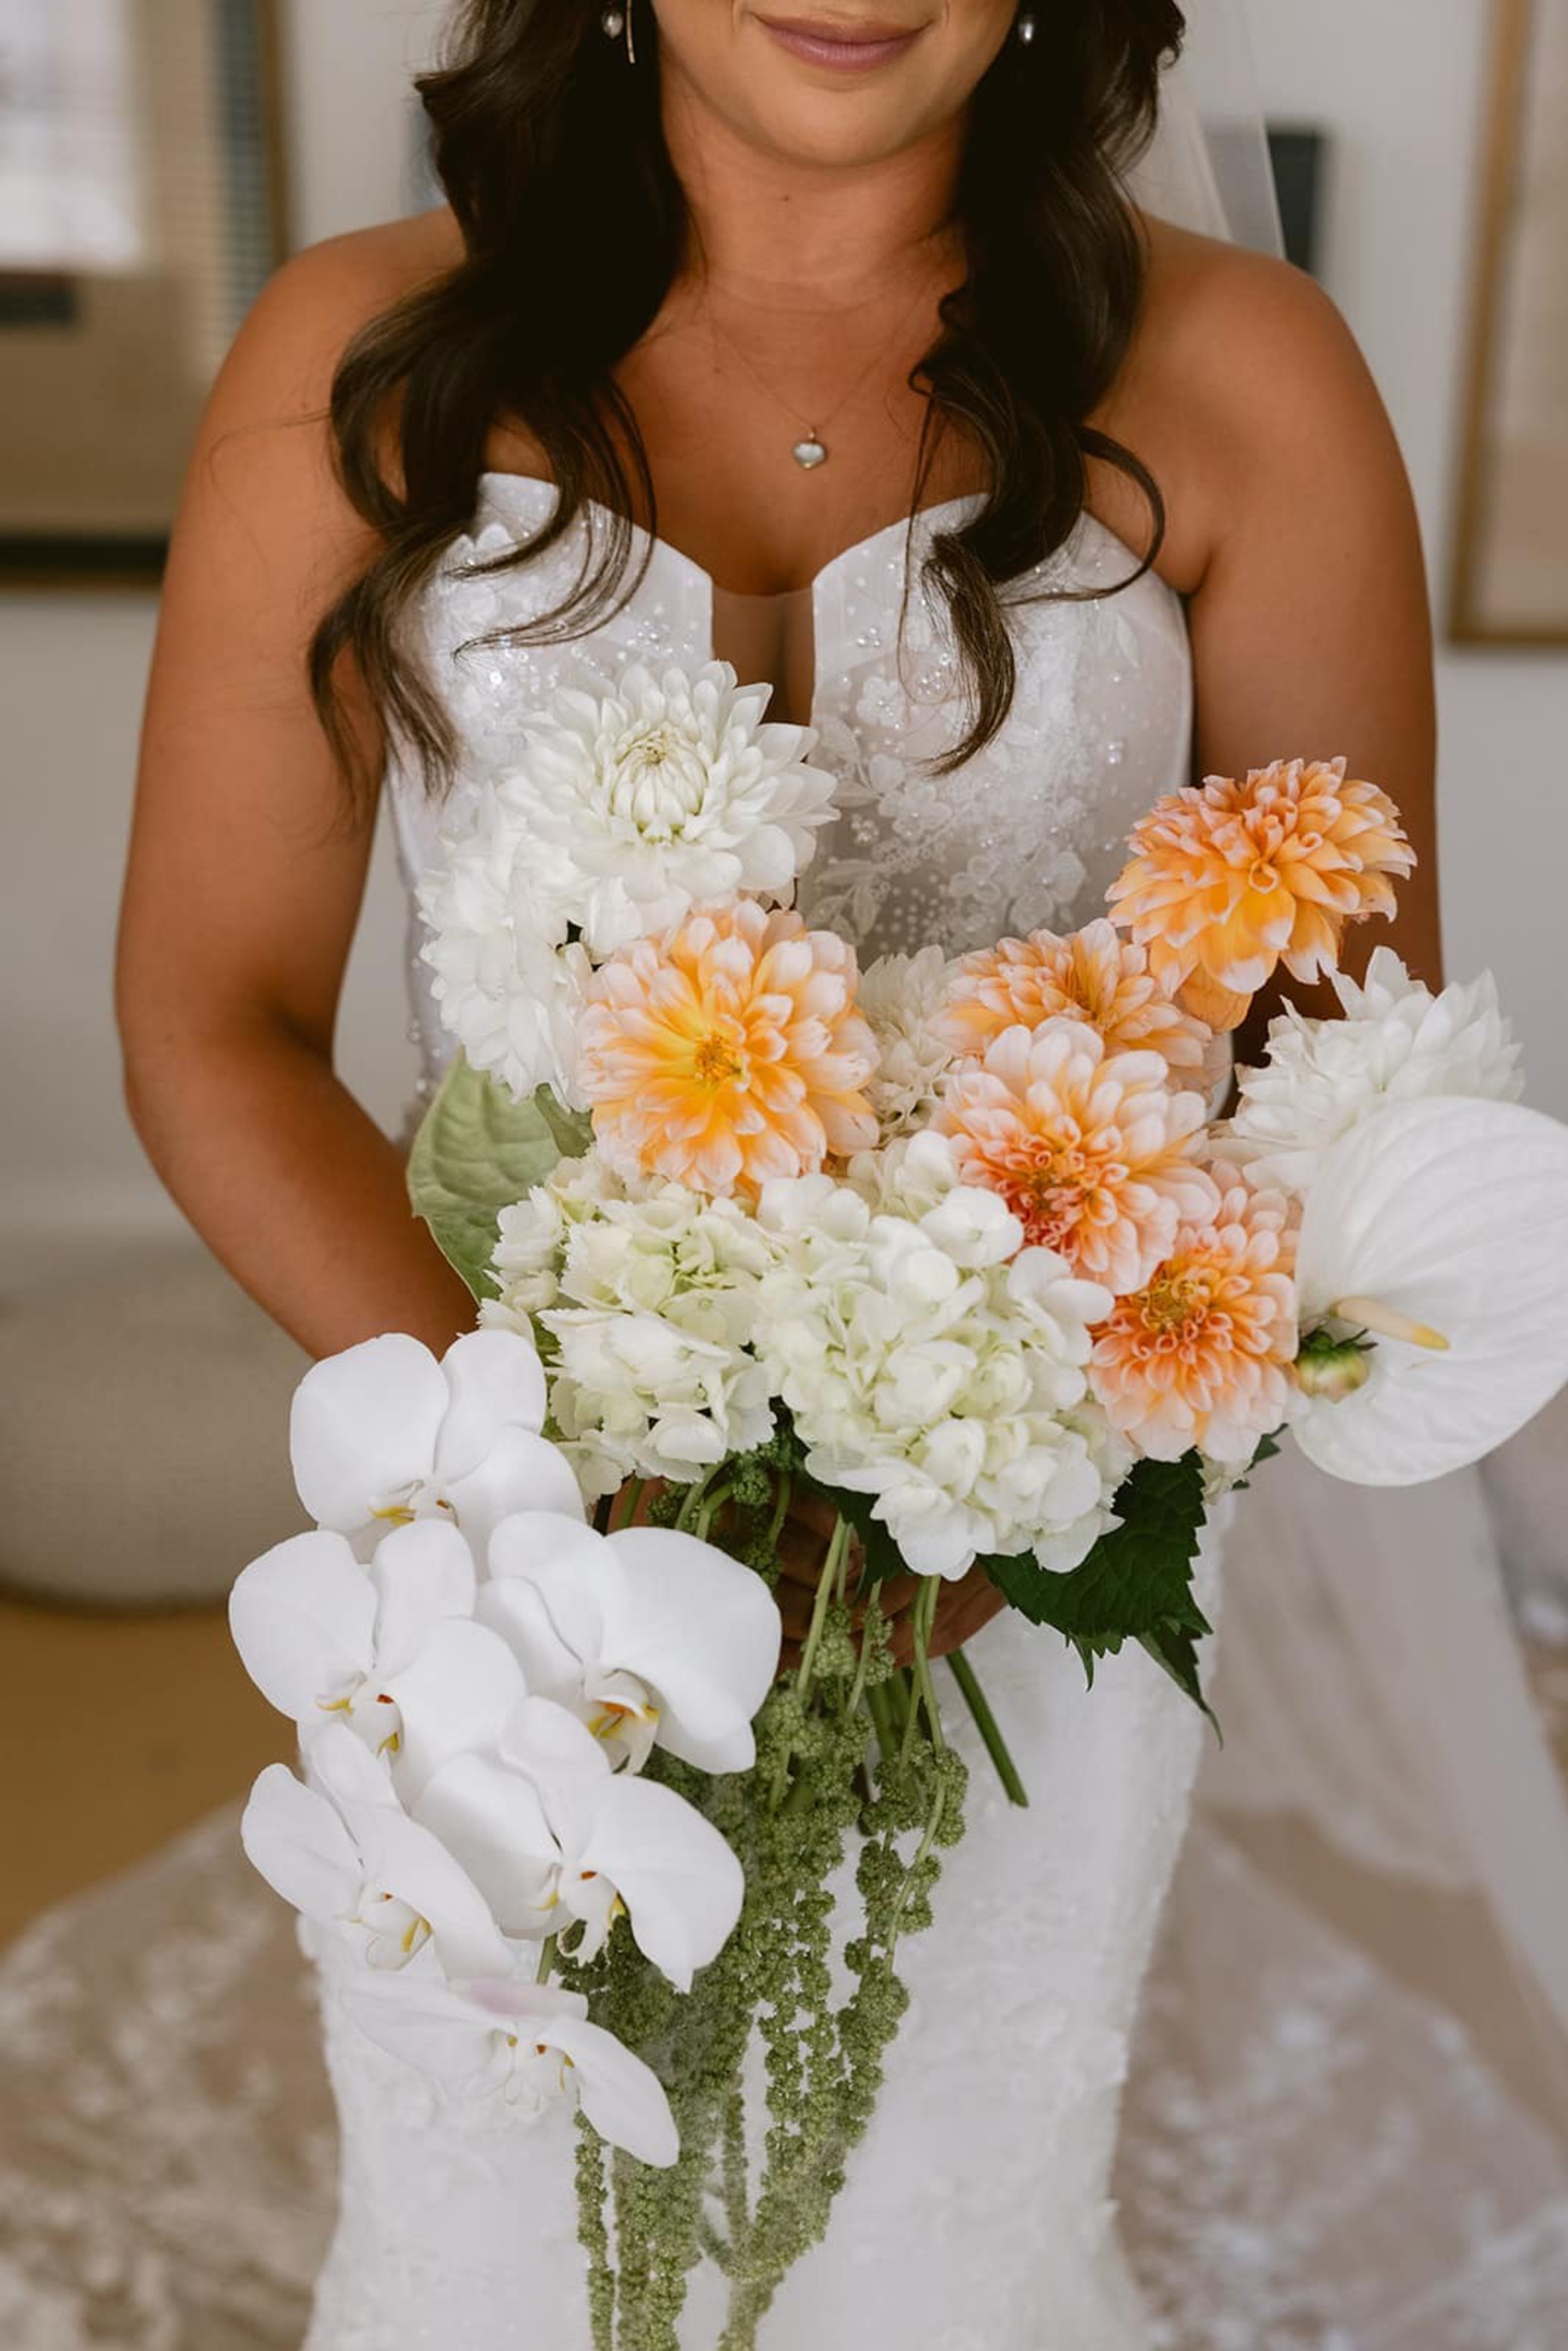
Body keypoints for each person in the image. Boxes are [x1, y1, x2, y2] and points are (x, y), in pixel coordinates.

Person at [95, 4, 1563, 2346]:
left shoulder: (1250, 381)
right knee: (490, 2232)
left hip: (1020, 1571)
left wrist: (967, 1507)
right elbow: (214, 1013)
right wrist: (558, 1474)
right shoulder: (360, 353)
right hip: (497, 1588)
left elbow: (1344, 1083)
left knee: (938, 2236)